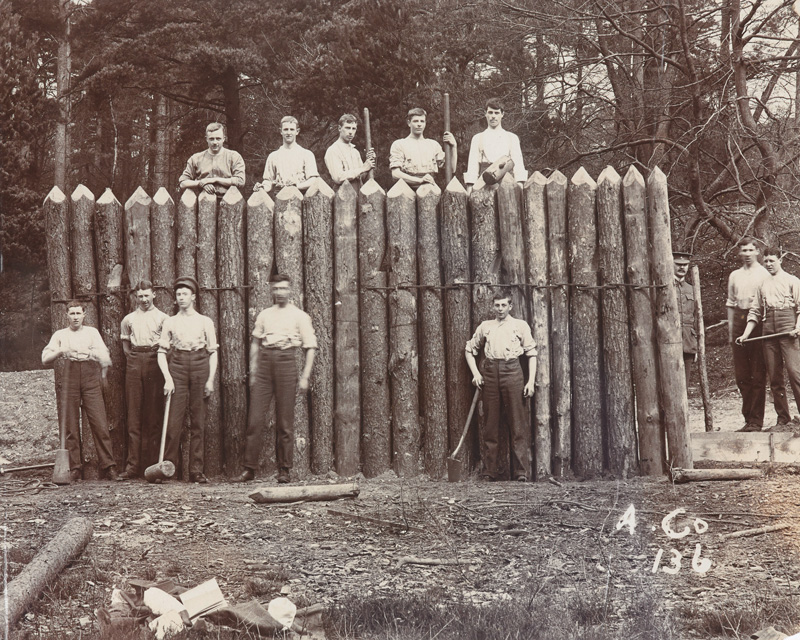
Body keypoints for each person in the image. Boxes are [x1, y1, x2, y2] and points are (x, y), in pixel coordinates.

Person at [234, 274, 317, 484]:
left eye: (284, 288)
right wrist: (253, 368)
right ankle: (249, 469)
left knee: (285, 421)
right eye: (276, 288)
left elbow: (310, 347)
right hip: (264, 364)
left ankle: (284, 469)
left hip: (286, 362)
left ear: (290, 290)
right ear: (271, 290)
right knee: (254, 420)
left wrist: (305, 376)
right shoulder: (264, 315)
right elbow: (255, 342)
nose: (280, 292)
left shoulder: (300, 316)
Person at [42, 300, 118, 481]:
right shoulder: (61, 334)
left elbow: (105, 357)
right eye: (72, 314)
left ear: (84, 315)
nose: (75, 317)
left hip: (90, 375)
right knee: (71, 424)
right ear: (66, 315)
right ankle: (75, 468)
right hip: (70, 375)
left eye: (78, 313)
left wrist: (96, 355)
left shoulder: (92, 333)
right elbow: (45, 358)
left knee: (99, 422)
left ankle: (109, 466)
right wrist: (60, 351)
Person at [465, 291, 536, 481]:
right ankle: (490, 471)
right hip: (490, 372)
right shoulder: (486, 327)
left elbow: (531, 354)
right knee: (491, 424)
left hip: (513, 371)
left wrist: (530, 381)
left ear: (510, 306)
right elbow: (469, 349)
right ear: (492, 306)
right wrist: (476, 374)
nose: (500, 309)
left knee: (517, 423)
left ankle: (521, 472)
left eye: (504, 305)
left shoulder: (520, 326)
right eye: (497, 305)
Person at [157, 276, 218, 483]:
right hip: (178, 366)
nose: (181, 298)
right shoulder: (170, 321)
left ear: (193, 296)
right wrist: (167, 378)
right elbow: (161, 352)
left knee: (198, 422)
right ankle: (167, 468)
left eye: (185, 294)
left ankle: (196, 471)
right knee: (174, 421)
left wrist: (210, 379)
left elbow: (213, 352)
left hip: (200, 365)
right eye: (178, 294)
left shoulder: (205, 321)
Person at [736, 248, 800, 430]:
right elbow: (755, 312)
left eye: (772, 260)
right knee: (774, 377)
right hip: (768, 332)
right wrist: (745, 334)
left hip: (788, 330)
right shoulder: (762, 285)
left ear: (780, 259)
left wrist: (797, 327)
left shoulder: (792, 281)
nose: (769, 264)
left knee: (795, 373)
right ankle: (783, 418)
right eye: (766, 262)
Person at [118, 280, 168, 480]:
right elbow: (125, 345)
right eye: (140, 296)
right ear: (135, 297)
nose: (144, 299)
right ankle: (133, 467)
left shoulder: (164, 318)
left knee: (153, 416)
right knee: (134, 415)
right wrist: (132, 358)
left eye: (147, 295)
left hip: (155, 360)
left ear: (154, 294)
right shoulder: (128, 319)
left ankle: (152, 467)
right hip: (134, 361)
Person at [727, 236, 770, 432]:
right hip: (738, 322)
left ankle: (756, 421)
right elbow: (730, 304)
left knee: (757, 374)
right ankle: (747, 419)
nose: (746, 254)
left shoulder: (764, 274)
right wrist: (731, 332)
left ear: (758, 252)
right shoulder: (735, 275)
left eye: (750, 250)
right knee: (742, 375)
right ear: (739, 253)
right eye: (743, 251)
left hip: (758, 323)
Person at [464, 98, 527, 190]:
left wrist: (519, 187)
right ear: (485, 113)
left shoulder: (512, 138)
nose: (493, 116)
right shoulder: (478, 138)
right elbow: (472, 168)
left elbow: (518, 167)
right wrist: (470, 190)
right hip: (484, 185)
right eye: (490, 112)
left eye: (496, 113)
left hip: (506, 186)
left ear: (502, 114)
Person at [389, 107, 457, 188]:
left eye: (422, 121)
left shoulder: (433, 145)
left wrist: (454, 147)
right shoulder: (399, 144)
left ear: (425, 123)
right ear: (409, 123)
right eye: (415, 121)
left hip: (429, 189)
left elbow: (452, 169)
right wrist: (419, 180)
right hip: (406, 189)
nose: (419, 124)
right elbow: (395, 174)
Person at [254, 116, 319, 194]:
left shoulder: (307, 154)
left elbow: (313, 180)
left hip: (301, 196)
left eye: (292, 129)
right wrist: (262, 187)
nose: (288, 133)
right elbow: (268, 180)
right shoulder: (273, 156)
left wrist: (297, 185)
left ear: (297, 131)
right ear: (281, 131)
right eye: (285, 129)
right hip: (280, 198)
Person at [179, 122, 246, 196]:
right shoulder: (196, 158)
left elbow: (240, 181)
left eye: (218, 138)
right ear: (206, 139)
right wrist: (202, 183)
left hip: (229, 201)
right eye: (211, 139)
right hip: (204, 202)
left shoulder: (234, 156)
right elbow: (183, 183)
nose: (215, 142)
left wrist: (215, 180)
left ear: (224, 139)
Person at [324, 113, 376, 188]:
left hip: (358, 195)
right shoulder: (333, 150)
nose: (351, 132)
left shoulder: (355, 152)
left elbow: (362, 178)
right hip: (342, 196)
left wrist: (369, 161)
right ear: (339, 128)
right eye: (347, 128)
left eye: (353, 128)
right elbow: (338, 178)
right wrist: (363, 168)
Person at [673, 252, 698, 390]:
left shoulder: (692, 289)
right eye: (678, 264)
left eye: (685, 265)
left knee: (684, 385)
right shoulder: (665, 287)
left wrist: (696, 347)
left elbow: (697, 319)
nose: (682, 268)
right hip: (668, 340)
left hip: (688, 342)